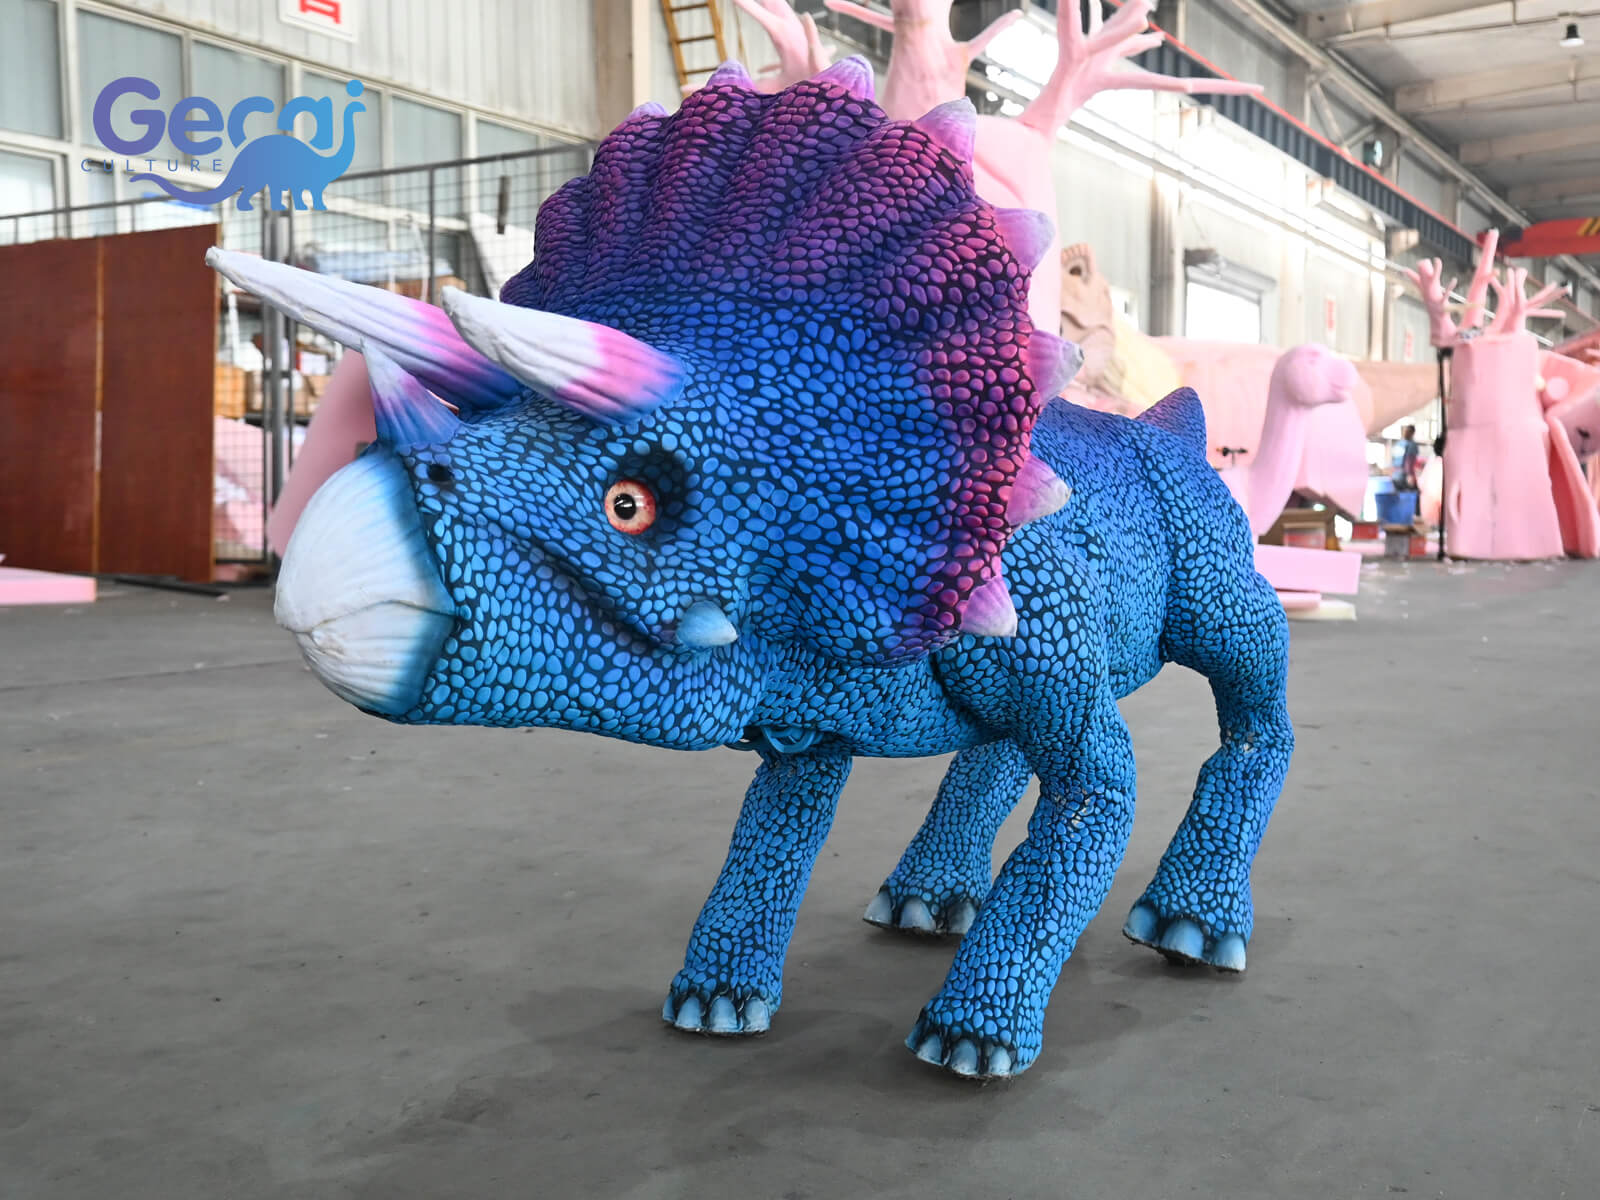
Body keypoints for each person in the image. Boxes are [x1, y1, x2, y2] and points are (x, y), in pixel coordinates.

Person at [1392, 424, 1420, 491]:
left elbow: (1393, 460)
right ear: (1413, 433)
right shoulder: (1411, 445)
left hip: (1395, 476)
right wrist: (1410, 475)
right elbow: (1409, 461)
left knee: (1399, 496)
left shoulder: (1398, 444)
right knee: (1415, 494)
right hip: (1405, 477)